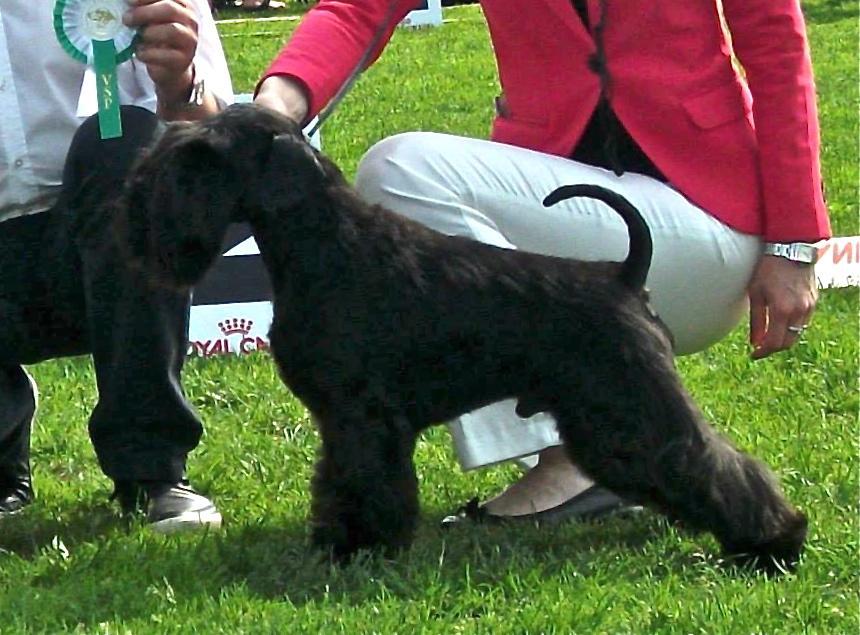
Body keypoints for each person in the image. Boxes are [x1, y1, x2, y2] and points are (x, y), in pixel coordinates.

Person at [253, 0, 830, 522]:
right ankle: (567, 452)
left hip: (707, 226)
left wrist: (793, 243)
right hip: (568, 215)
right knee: (402, 172)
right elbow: (357, 8)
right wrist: (277, 103)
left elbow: (777, 47)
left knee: (402, 167)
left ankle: (572, 460)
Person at [0, 0, 233, 531]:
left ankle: (151, 470)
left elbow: (216, 131)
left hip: (101, 227)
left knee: (125, 139)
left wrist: (180, 86)